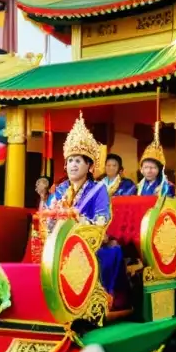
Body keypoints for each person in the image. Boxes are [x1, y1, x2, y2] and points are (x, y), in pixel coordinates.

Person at [45, 113, 128, 309]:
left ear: (89, 165)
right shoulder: (61, 189)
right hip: (58, 243)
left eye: (78, 161)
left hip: (88, 244)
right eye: (70, 160)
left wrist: (78, 221)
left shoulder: (98, 190)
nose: (73, 165)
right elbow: (48, 216)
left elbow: (101, 222)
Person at [136, 123, 175, 197]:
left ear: (159, 169)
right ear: (141, 170)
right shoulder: (138, 187)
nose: (149, 171)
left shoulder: (167, 187)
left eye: (153, 168)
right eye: (146, 167)